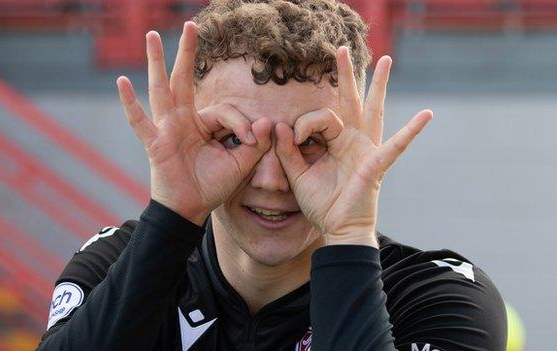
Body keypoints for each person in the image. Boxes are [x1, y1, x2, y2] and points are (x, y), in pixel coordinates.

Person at [36, 0, 506, 350]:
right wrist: (174, 213)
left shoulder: (439, 297)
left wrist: (347, 233)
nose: (273, 181)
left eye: (311, 143)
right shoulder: (116, 263)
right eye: (233, 138)